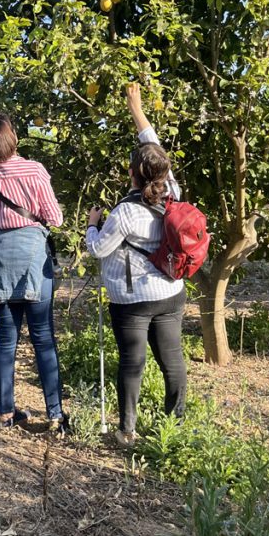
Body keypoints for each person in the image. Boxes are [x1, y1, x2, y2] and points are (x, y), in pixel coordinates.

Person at [86, 83, 187, 448]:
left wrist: (92, 223)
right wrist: (137, 109)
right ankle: (174, 426)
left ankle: (127, 431)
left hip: (134, 300)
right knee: (172, 360)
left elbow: (98, 250)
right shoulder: (172, 191)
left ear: (131, 174)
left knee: (132, 362)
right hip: (172, 291)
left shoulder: (124, 213)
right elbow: (153, 143)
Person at [0, 113, 66, 430]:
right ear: (14, 140)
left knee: (6, 341)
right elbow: (56, 218)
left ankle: (5, 414)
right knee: (44, 339)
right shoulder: (35, 171)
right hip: (34, 261)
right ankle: (56, 414)